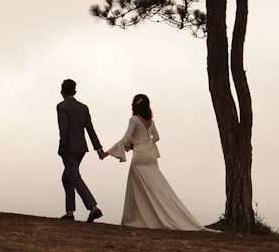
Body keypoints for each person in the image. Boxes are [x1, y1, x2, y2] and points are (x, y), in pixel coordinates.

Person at [103, 93, 203, 230]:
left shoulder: (134, 119)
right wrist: (146, 143)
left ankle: (139, 218)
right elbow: (156, 137)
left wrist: (107, 153)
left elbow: (126, 137)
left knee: (137, 189)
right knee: (156, 187)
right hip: (151, 156)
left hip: (139, 156)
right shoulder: (151, 121)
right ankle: (161, 216)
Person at [56, 78, 106, 222]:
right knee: (67, 178)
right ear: (75, 91)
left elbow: (63, 129)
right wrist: (98, 149)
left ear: (62, 92)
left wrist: (62, 147)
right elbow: (90, 129)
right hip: (81, 148)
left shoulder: (61, 107)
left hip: (69, 148)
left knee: (74, 177)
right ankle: (70, 212)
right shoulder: (83, 108)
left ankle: (93, 208)